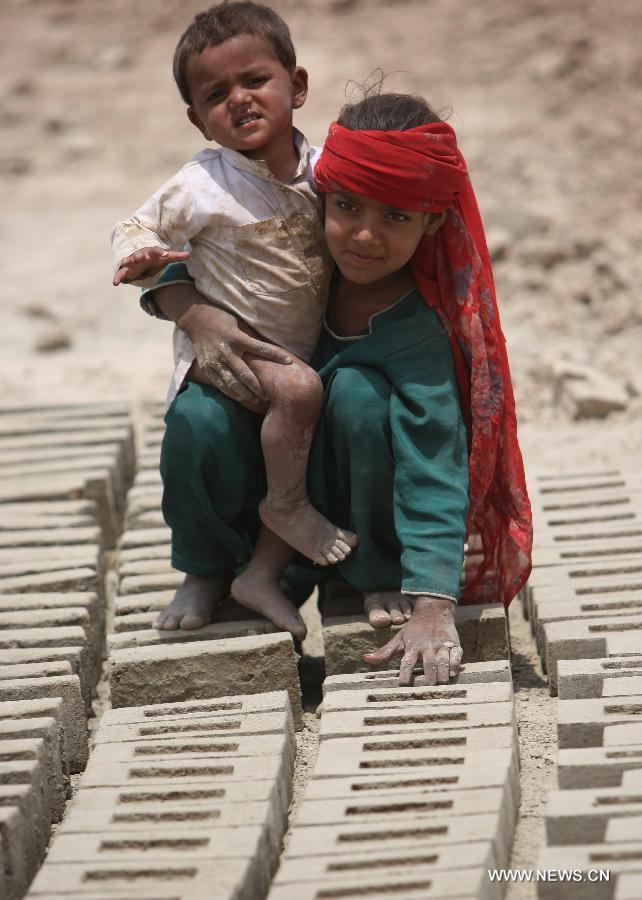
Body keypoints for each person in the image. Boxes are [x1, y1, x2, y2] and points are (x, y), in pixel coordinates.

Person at [146, 90, 533, 685]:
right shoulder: (304, 256)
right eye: (348, 207)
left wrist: (434, 600)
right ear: (323, 197)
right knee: (198, 418)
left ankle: (372, 574)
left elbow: (434, 464)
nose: (365, 237)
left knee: (356, 396)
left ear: (431, 220)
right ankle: (213, 572)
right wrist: (191, 312)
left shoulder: (415, 332)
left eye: (396, 217)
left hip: (340, 532)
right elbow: (196, 258)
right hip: (266, 501)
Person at [110, 2, 357, 640]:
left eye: (255, 81)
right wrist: (142, 258)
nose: (240, 100)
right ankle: (204, 570)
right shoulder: (200, 184)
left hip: (312, 349)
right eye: (217, 94)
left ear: (296, 86)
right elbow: (132, 227)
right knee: (197, 433)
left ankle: (266, 573)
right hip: (230, 357)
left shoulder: (330, 169)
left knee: (328, 418)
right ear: (197, 118)